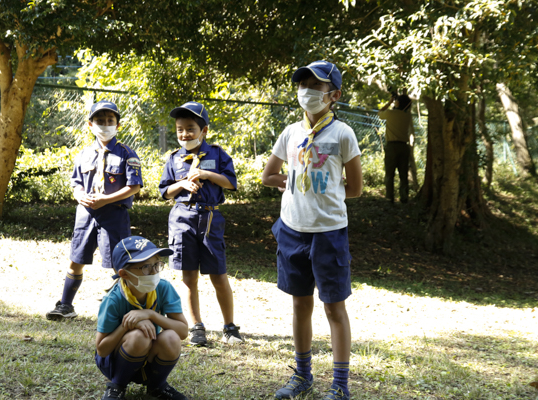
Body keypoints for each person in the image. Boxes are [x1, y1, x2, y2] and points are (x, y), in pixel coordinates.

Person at [261, 60, 362, 400]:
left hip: (329, 233)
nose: (307, 91)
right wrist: (293, 184)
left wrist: (326, 194)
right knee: (300, 305)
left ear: (334, 94)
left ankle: (340, 385)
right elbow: (268, 176)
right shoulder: (290, 132)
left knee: (334, 307)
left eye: (315, 86)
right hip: (291, 230)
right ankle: (302, 376)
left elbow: (355, 188)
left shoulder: (342, 133)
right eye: (302, 84)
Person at [46, 100, 143, 321]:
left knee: (119, 263)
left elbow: (134, 187)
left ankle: (125, 308)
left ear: (118, 125)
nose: (105, 125)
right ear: (90, 124)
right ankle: (65, 305)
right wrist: (79, 195)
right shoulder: (84, 153)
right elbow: (76, 183)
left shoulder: (128, 153)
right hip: (86, 214)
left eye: (110, 121)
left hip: (114, 214)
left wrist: (106, 199)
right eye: (99, 121)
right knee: (76, 259)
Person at [158, 101, 244, 346]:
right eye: (179, 129)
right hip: (181, 218)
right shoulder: (174, 159)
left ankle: (229, 327)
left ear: (204, 130)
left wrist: (206, 174)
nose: (184, 134)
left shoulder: (217, 154)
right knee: (188, 276)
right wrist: (182, 184)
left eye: (190, 128)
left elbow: (231, 183)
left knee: (219, 274)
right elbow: (164, 191)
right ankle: (196, 327)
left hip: (210, 219)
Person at [95, 235, 189, 400]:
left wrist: (151, 315)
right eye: (146, 267)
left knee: (172, 337)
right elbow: (102, 350)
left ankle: (157, 386)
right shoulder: (113, 299)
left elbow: (182, 331)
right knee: (139, 336)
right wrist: (127, 325)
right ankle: (117, 386)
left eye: (157, 264)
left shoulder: (163, 288)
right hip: (116, 362)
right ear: (124, 274)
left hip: (148, 358)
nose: (153, 272)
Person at [378, 94, 413, 203]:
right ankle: (404, 197)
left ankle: (390, 197)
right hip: (404, 146)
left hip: (392, 146)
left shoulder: (390, 113)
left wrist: (389, 103)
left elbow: (379, 113)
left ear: (397, 103)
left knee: (389, 174)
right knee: (403, 174)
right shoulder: (408, 116)